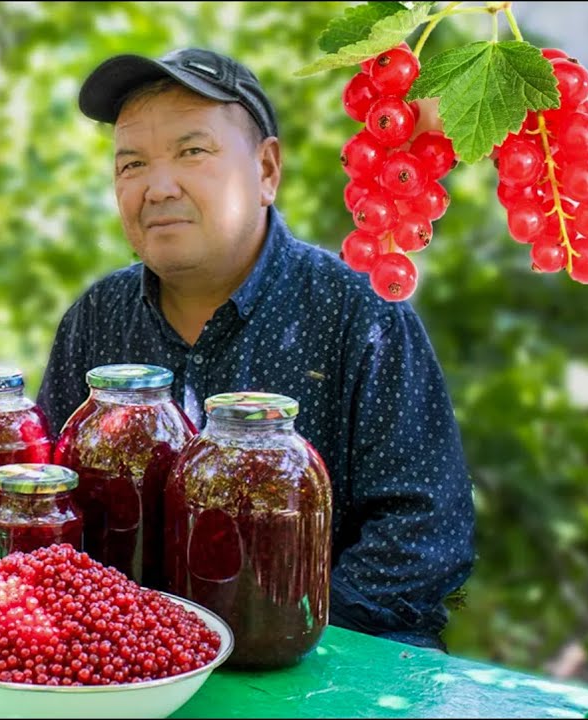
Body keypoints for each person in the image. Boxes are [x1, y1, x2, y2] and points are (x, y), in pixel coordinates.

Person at [36, 47, 475, 650]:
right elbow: (49, 502)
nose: (158, 187)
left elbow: (422, 535)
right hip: (121, 670)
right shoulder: (96, 320)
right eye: (131, 164)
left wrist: (270, 639)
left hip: (326, 668)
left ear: (267, 171)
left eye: (193, 151)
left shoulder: (358, 310)